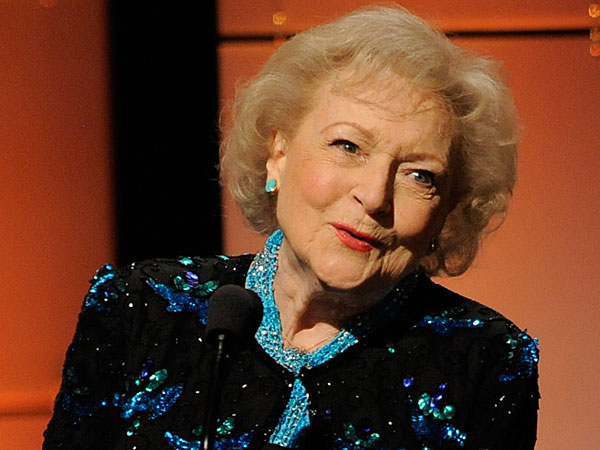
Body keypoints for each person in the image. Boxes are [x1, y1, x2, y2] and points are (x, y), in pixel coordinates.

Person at [44, 5, 539, 450]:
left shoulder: (484, 361)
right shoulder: (141, 308)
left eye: (420, 176)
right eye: (348, 146)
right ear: (278, 153)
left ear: (447, 211)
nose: (375, 196)